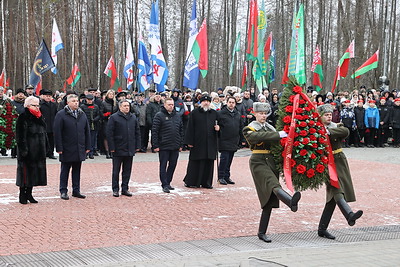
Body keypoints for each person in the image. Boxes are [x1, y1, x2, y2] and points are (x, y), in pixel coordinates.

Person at [243, 102, 301, 243]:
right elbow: (254, 137)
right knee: (272, 184)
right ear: (255, 114)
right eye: (260, 113)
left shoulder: (270, 127)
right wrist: (277, 135)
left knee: (268, 200)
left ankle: (262, 232)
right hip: (258, 161)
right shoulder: (250, 128)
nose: (263, 116)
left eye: (265, 113)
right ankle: (289, 201)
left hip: (271, 161)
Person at [317, 104, 363, 240]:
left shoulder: (336, 126)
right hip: (326, 162)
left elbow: (346, 132)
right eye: (326, 115)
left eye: (330, 114)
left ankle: (322, 229)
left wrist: (329, 132)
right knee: (336, 188)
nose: (329, 116)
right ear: (320, 116)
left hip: (339, 160)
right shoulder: (316, 129)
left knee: (332, 199)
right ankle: (349, 214)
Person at [54, 94, 91, 200]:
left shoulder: (82, 114)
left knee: (77, 170)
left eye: (77, 101)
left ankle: (76, 190)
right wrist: (59, 148)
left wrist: (88, 146)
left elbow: (86, 131)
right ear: (68, 103)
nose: (76, 103)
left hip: (79, 147)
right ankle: (63, 190)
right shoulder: (61, 115)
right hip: (66, 148)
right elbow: (57, 132)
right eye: (73, 101)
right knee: (65, 170)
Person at [15, 96, 48, 204]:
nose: (37, 107)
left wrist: (46, 146)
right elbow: (20, 136)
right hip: (28, 152)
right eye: (35, 105)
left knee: (34, 174)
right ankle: (22, 194)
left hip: (39, 151)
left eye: (38, 105)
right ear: (28, 106)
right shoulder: (23, 117)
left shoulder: (40, 117)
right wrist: (24, 150)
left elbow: (44, 133)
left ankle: (29, 193)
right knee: (25, 174)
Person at [183, 95, 219, 189]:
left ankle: (206, 182)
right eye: (204, 101)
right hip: (197, 142)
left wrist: (218, 129)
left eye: (208, 101)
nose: (206, 103)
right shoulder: (195, 113)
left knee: (208, 163)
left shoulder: (214, 113)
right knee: (196, 163)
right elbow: (190, 128)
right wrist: (189, 141)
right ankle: (192, 182)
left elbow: (220, 125)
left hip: (210, 143)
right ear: (201, 102)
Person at [107, 100, 140, 197]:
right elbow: (110, 134)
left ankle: (125, 188)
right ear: (120, 107)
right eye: (125, 106)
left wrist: (137, 146)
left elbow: (137, 132)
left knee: (127, 170)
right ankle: (115, 189)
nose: (127, 107)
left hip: (130, 148)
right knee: (116, 170)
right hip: (118, 148)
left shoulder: (133, 117)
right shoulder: (114, 118)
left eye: (128, 106)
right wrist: (111, 147)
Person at [152, 98, 183, 193]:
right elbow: (155, 131)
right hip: (163, 145)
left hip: (175, 145)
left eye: (172, 104)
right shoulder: (159, 115)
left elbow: (181, 130)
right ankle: (164, 184)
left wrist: (181, 144)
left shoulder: (177, 116)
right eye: (169, 104)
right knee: (163, 165)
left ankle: (168, 182)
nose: (171, 106)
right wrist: (155, 145)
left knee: (173, 165)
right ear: (164, 105)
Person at [217, 96, 244, 185]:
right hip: (224, 139)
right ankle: (221, 176)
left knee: (230, 160)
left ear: (235, 104)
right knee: (224, 159)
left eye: (233, 102)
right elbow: (217, 125)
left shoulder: (238, 114)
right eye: (230, 102)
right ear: (227, 103)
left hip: (234, 140)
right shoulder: (221, 113)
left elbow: (241, 127)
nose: (231, 104)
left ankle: (226, 176)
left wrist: (242, 139)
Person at [80, 94, 101, 159]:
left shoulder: (96, 106)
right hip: (85, 125)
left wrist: (95, 119)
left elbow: (98, 115)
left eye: (91, 100)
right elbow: (81, 115)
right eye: (88, 100)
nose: (90, 101)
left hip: (93, 125)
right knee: (85, 139)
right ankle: (85, 152)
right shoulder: (82, 106)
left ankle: (91, 152)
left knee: (93, 139)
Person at [39, 89, 58, 159]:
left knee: (51, 140)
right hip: (43, 125)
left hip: (52, 125)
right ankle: (43, 153)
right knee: (43, 140)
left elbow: (56, 114)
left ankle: (51, 153)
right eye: (47, 96)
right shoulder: (40, 105)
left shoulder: (53, 105)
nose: (48, 97)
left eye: (49, 96)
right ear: (43, 96)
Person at [100, 90, 118, 158]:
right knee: (106, 136)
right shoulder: (104, 103)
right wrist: (106, 115)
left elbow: (118, 111)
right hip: (106, 121)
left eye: (112, 94)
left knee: (114, 136)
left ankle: (112, 151)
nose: (111, 95)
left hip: (115, 121)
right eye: (110, 94)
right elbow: (101, 112)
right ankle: (107, 151)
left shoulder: (116, 103)